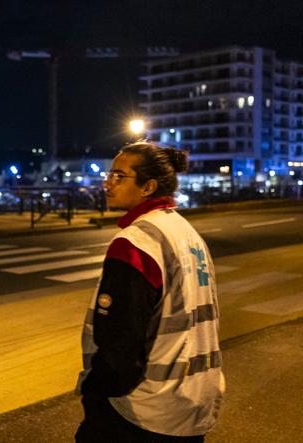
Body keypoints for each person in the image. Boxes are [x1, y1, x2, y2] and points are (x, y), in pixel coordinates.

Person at [75, 141, 224, 442]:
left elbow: (121, 338)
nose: (107, 183)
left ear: (148, 187)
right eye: (110, 174)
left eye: (119, 176)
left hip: (145, 409)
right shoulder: (187, 233)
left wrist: (97, 390)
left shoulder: (136, 243)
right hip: (195, 400)